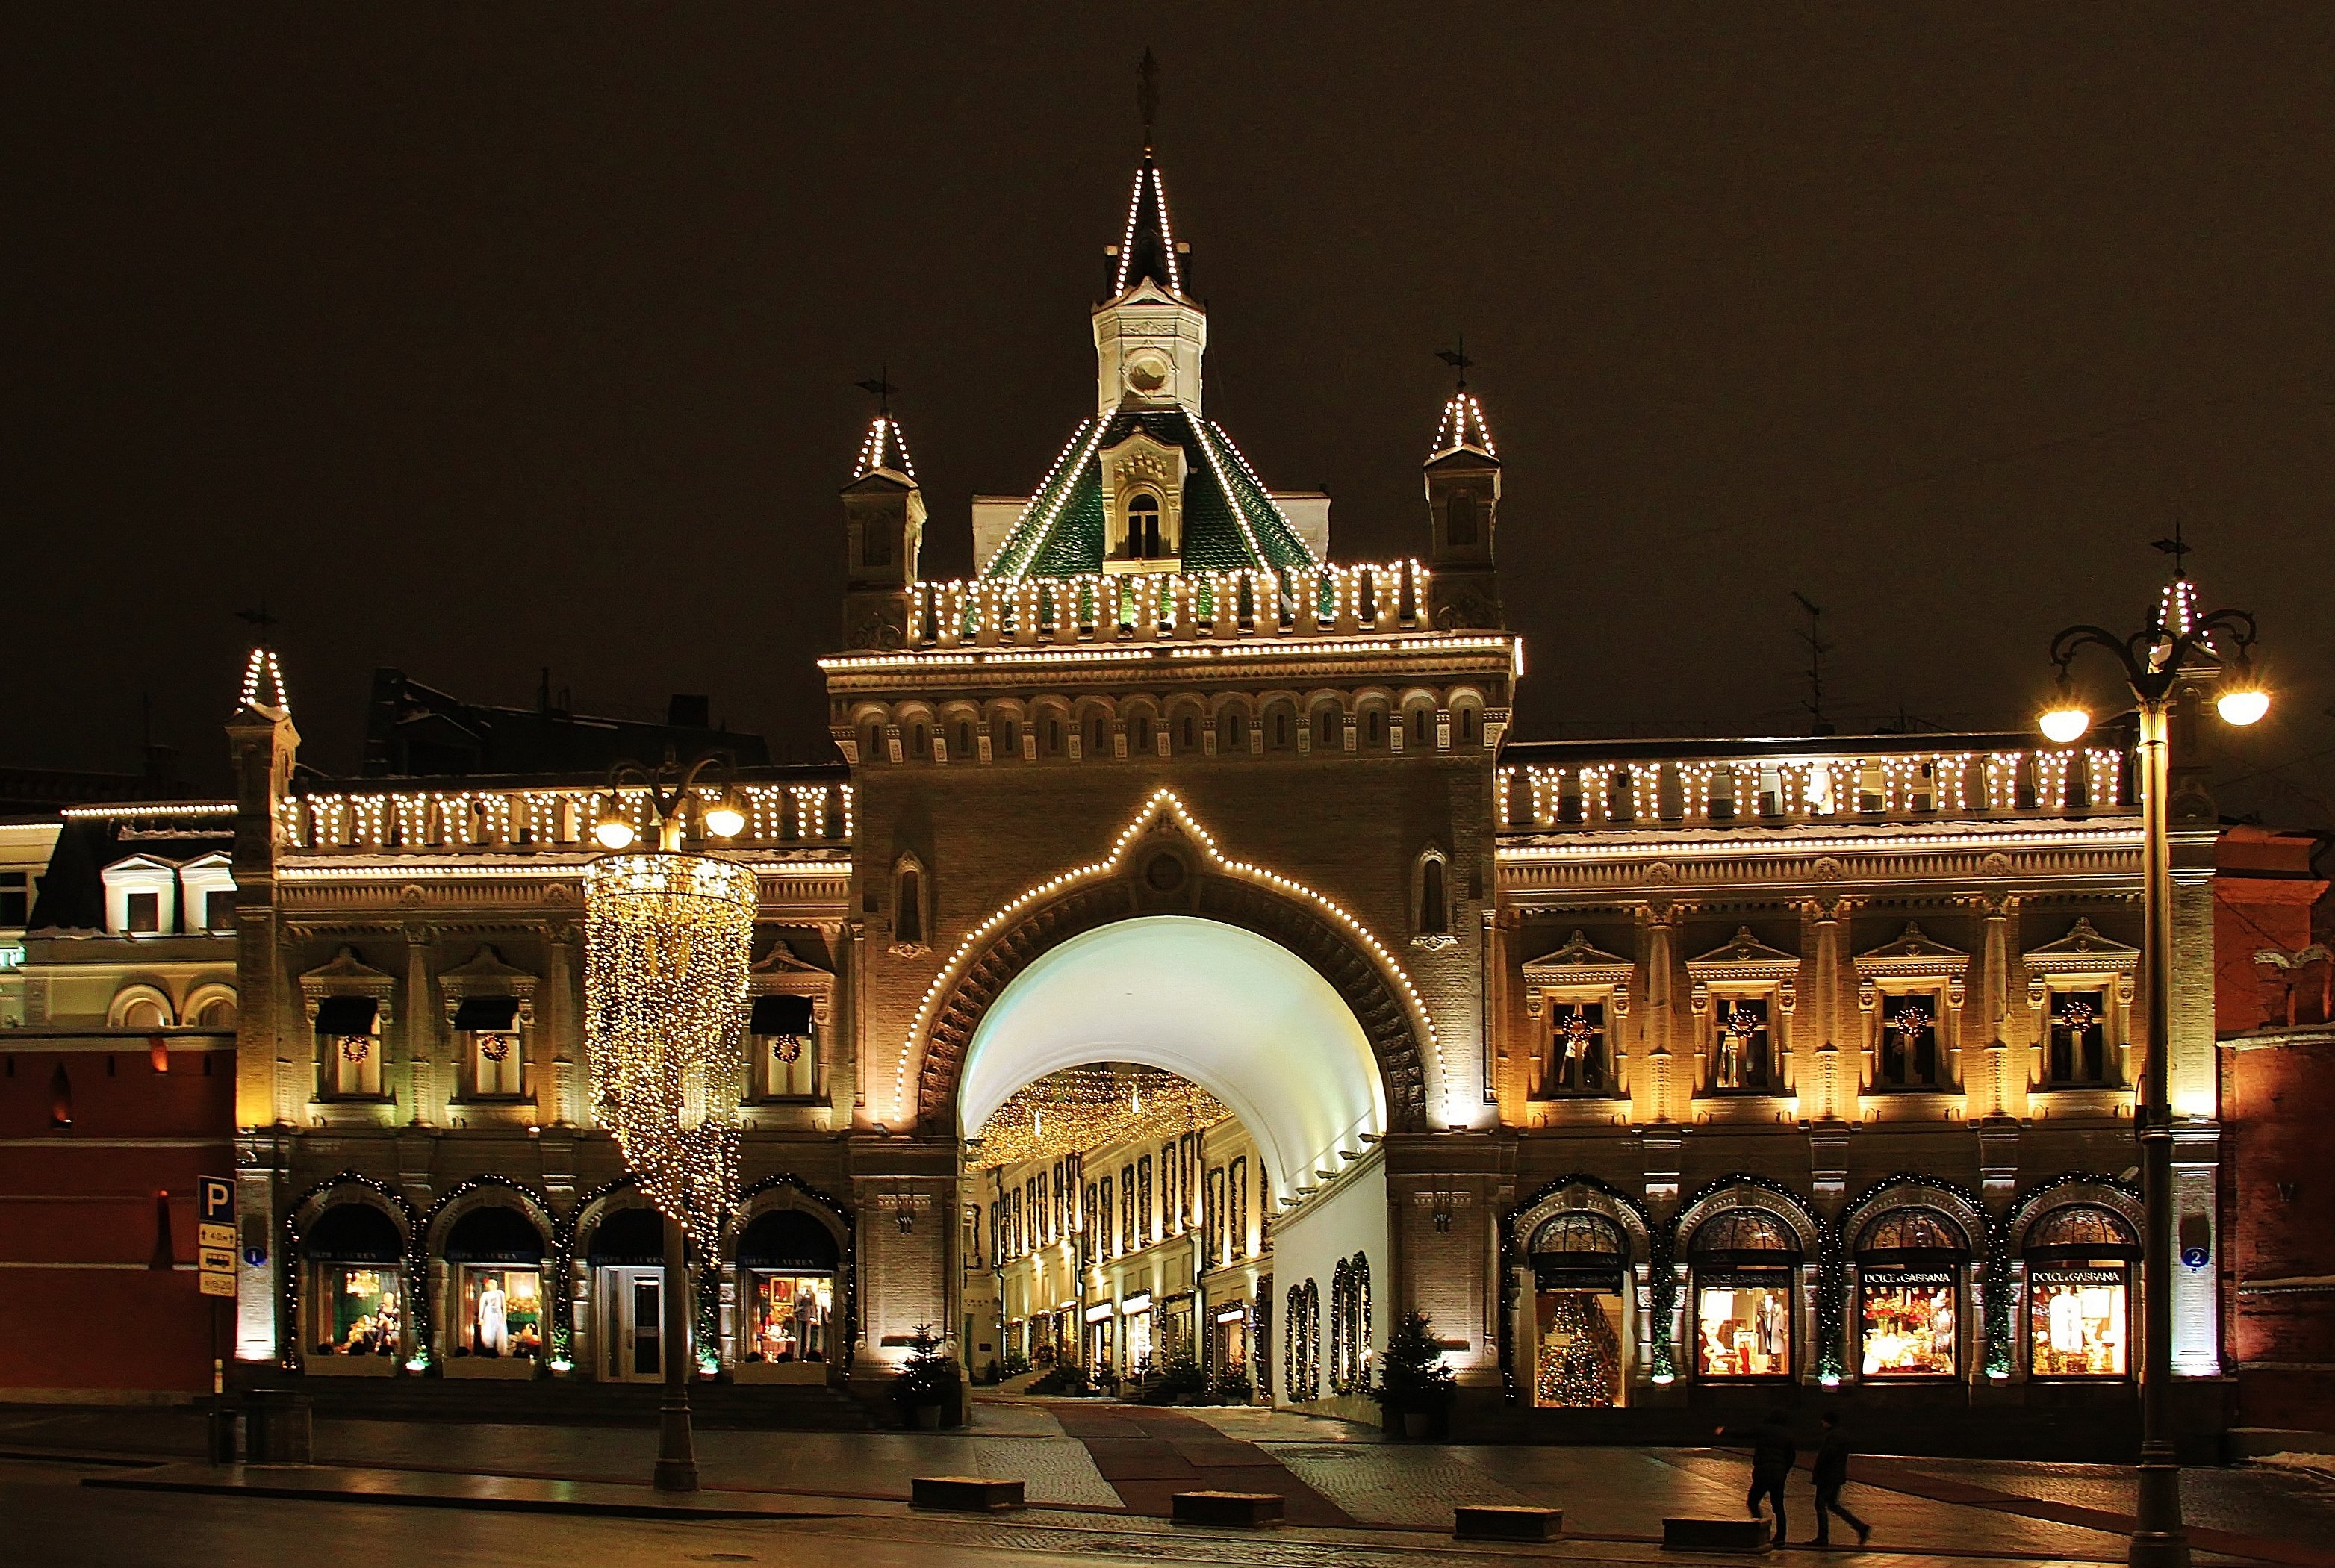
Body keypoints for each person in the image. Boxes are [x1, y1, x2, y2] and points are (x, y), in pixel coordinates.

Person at [1717, 1407, 1797, 1546]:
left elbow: (1744, 1434)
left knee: (1753, 1501)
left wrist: (1725, 1431)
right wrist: (1784, 1470)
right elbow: (1791, 1456)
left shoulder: (1763, 1429)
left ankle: (1759, 1528)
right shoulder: (1787, 1434)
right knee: (1778, 1506)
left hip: (1763, 1471)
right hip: (1778, 1473)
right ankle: (1781, 1536)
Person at [1810, 1410, 1872, 1548]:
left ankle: (1823, 1537)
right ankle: (1860, 1527)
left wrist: (1816, 1473)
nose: (1822, 1423)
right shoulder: (1841, 1434)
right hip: (1836, 1475)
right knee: (1832, 1504)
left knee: (1820, 1504)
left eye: (1824, 1421)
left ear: (1828, 1422)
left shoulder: (1833, 1436)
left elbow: (1825, 1457)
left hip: (1828, 1476)